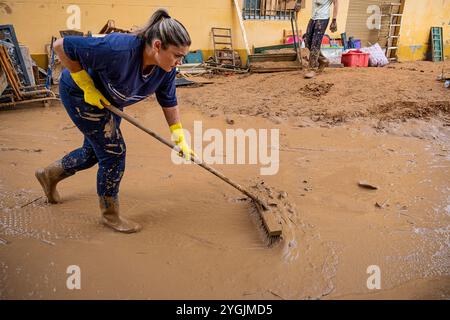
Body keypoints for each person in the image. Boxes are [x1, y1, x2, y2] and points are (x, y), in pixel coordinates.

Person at [35, 9, 194, 234]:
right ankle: (110, 215)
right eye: (177, 55)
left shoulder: (165, 69)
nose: (179, 62)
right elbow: (61, 46)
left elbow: (168, 100)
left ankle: (49, 174)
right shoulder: (118, 49)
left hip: (109, 100)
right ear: (157, 45)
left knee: (93, 152)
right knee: (113, 153)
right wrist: (87, 86)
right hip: (80, 95)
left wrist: (179, 137)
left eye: (183, 56)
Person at [301, 0, 339, 79]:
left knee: (315, 43)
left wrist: (334, 20)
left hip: (323, 18)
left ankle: (312, 69)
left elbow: (336, 3)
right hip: (313, 18)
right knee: (307, 41)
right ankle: (323, 60)